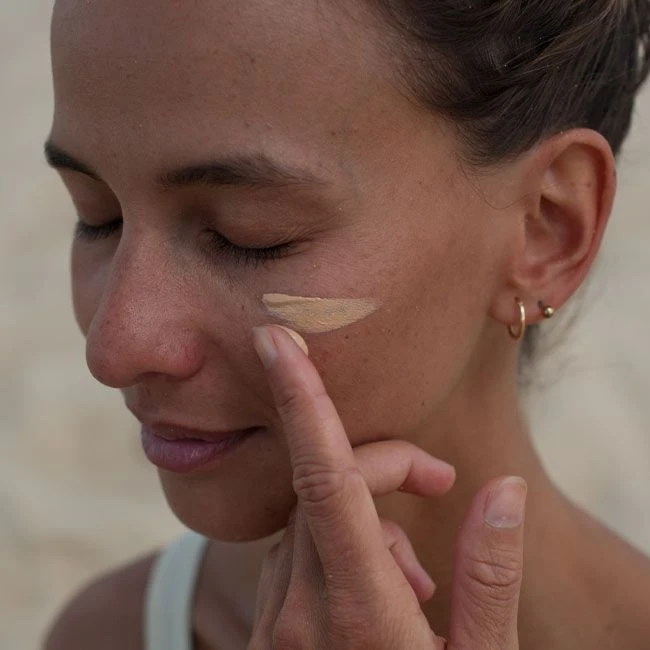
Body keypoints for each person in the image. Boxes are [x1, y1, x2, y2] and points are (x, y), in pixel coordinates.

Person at [43, 0, 650, 648]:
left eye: (250, 235)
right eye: (97, 216)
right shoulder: (107, 634)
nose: (114, 348)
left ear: (547, 229)